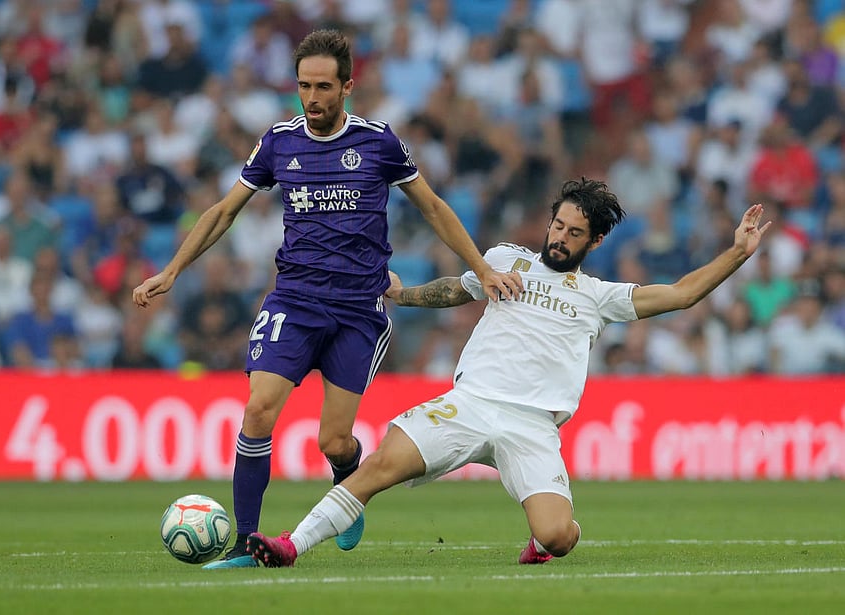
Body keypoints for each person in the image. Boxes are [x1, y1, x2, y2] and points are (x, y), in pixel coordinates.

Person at [132, 29, 521, 569]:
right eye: (302, 86)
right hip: (293, 302)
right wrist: (173, 269)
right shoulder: (279, 142)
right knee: (259, 410)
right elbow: (225, 210)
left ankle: (346, 483)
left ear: (347, 87)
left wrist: (481, 267)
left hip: (360, 311)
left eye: (322, 87)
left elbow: (431, 206)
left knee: (333, 441)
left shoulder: (378, 141)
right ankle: (247, 542)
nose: (311, 98)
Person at [243, 177, 770, 568]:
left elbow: (681, 294)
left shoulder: (598, 296)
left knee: (559, 536)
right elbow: (455, 289)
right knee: (380, 464)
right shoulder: (505, 261)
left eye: (574, 233)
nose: (560, 238)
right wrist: (401, 294)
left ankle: (544, 543)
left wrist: (737, 253)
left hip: (533, 426)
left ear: (595, 243)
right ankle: (292, 545)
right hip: (468, 404)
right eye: (558, 225)